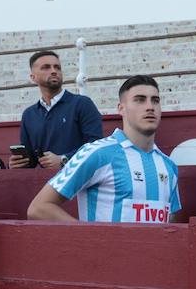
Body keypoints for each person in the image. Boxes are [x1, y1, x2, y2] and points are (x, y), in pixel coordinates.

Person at [27, 75, 181, 223]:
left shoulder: (169, 166)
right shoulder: (97, 153)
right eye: (140, 100)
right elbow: (38, 208)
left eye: (155, 101)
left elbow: (170, 220)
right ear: (121, 109)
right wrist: (92, 238)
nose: (150, 107)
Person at [14, 50, 104, 171]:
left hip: (80, 181)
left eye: (57, 67)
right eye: (46, 67)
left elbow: (96, 144)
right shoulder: (29, 114)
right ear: (33, 77)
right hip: (45, 183)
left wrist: (64, 159)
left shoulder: (82, 104)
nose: (53, 71)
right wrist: (17, 163)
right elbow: (31, 160)